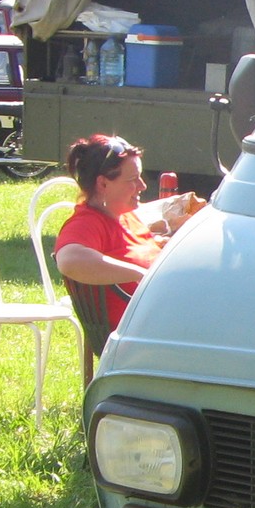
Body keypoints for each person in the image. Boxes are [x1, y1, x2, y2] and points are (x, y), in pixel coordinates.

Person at [53, 135, 196, 373]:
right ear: (103, 184)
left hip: (165, 324)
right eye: (132, 180)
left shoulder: (125, 216)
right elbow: (69, 260)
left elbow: (134, 248)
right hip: (142, 339)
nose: (142, 186)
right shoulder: (87, 223)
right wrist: (140, 274)